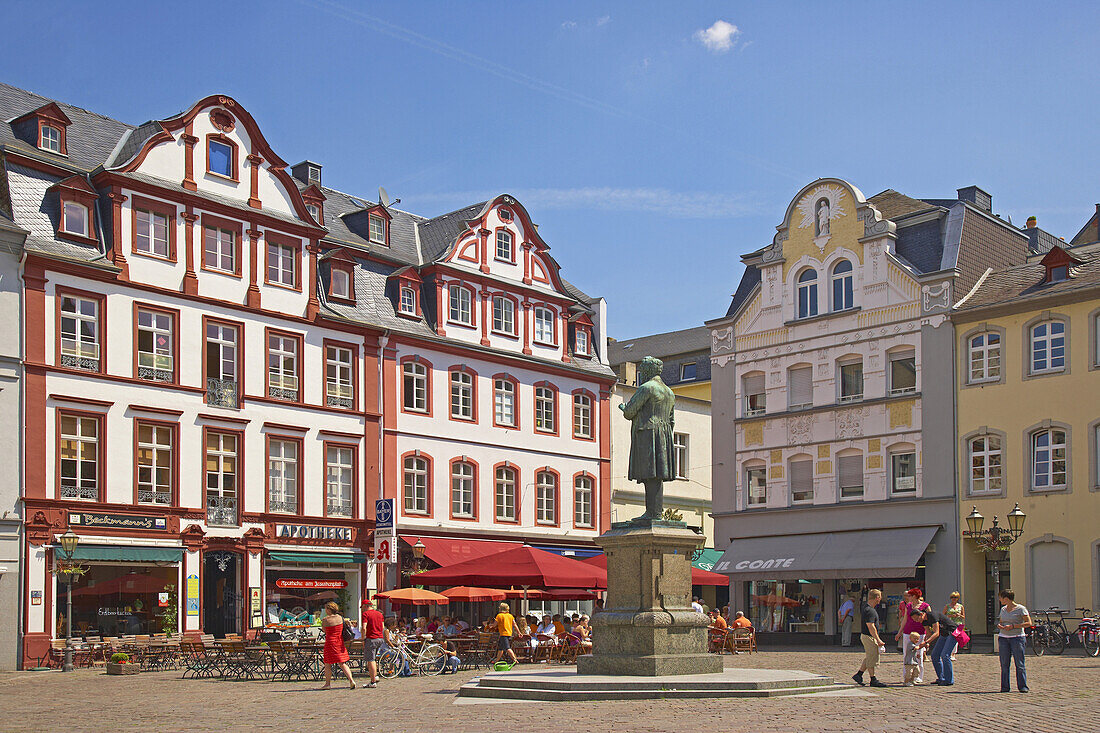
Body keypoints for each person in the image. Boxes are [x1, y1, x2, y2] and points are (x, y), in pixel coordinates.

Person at [912, 607, 959, 686]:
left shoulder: (932, 615)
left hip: (953, 632)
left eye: (917, 618)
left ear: (921, 614)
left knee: (945, 655)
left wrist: (924, 643)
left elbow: (936, 633)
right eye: (915, 620)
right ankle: (941, 678)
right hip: (944, 634)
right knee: (934, 655)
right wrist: (926, 643)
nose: (917, 621)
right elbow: (929, 633)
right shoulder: (924, 621)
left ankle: (949, 680)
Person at [997, 589, 1031, 693]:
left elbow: (1028, 623)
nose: (1000, 600)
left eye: (1001, 598)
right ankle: (1005, 687)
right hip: (1003, 638)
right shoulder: (1003, 609)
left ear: (1006, 598)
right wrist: (1000, 626)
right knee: (1004, 663)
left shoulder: (1021, 609)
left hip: (1017, 638)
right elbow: (1001, 621)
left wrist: (1013, 626)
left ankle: (1022, 686)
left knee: (1019, 663)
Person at [852, 589, 887, 688]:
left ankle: (859, 675)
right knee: (872, 657)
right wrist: (878, 639)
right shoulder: (869, 610)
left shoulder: (868, 608)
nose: (880, 599)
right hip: (868, 636)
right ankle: (873, 679)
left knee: (869, 656)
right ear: (877, 598)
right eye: (880, 597)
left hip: (867, 636)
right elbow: (871, 626)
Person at [896, 588, 931, 683]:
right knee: (906, 654)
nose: (908, 597)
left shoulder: (925, 606)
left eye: (910, 596)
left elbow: (929, 620)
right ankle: (907, 674)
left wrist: (928, 635)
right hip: (908, 632)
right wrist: (900, 632)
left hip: (920, 632)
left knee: (919, 654)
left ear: (915, 596)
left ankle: (918, 675)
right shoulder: (908, 606)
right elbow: (905, 619)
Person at [319, 601, 356, 690]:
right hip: (339, 643)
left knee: (327, 664)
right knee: (342, 663)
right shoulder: (340, 618)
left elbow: (324, 630)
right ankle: (351, 680)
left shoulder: (325, 620)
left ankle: (327, 684)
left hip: (330, 643)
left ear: (328, 609)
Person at [360, 598, 384, 689]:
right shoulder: (379, 613)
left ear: (366, 606)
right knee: (374, 658)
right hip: (379, 638)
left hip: (371, 638)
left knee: (370, 660)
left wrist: (363, 638)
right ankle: (376, 676)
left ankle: (373, 681)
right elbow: (382, 626)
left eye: (362, 607)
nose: (362, 609)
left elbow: (364, 627)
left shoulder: (365, 614)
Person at [492, 602, 519, 667]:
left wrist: (491, 626)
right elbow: (515, 625)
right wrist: (519, 632)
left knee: (507, 648)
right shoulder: (510, 616)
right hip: (509, 633)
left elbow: (494, 625)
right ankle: (497, 660)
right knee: (501, 648)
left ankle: (515, 660)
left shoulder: (499, 615)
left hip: (503, 633)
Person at [943, 592, 965, 660]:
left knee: (956, 639)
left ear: (958, 598)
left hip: (958, 624)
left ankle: (953, 654)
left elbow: (963, 616)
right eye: (952, 597)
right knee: (949, 638)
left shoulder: (960, 606)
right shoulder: (947, 606)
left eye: (955, 597)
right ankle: (949, 652)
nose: (953, 599)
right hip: (949, 624)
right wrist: (949, 616)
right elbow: (943, 615)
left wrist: (959, 615)